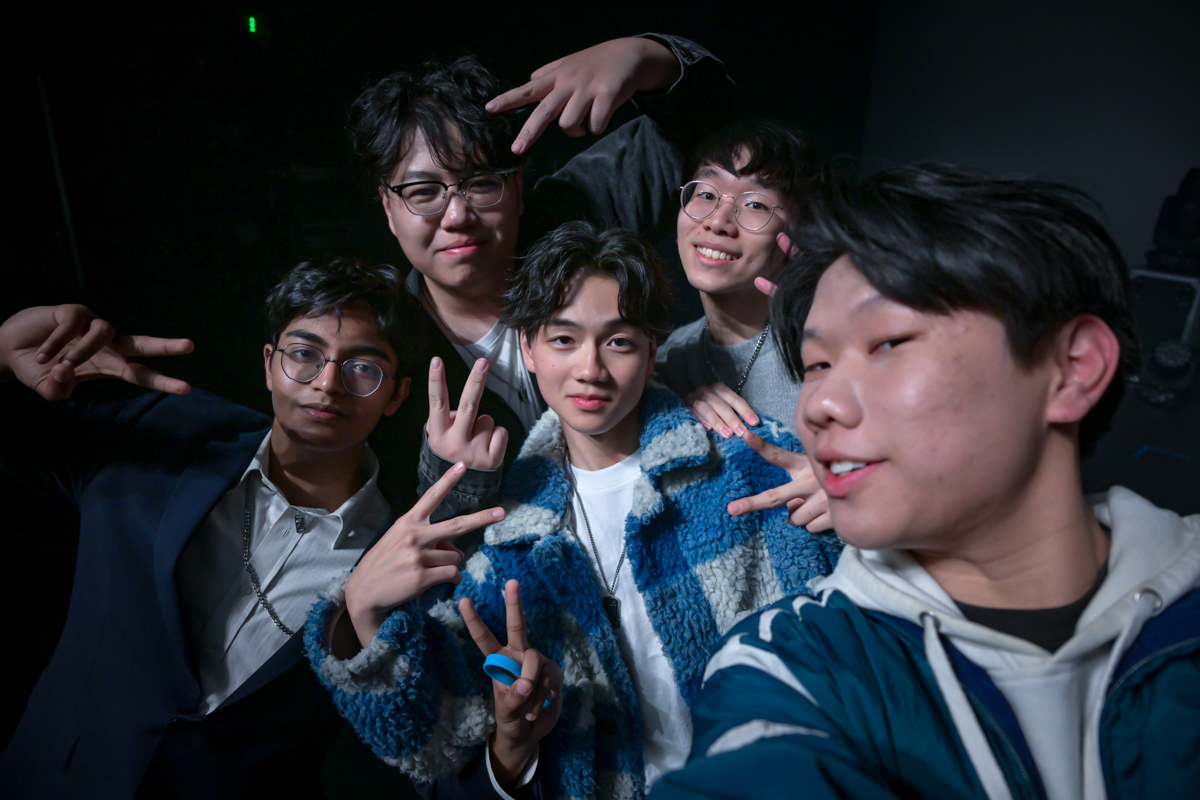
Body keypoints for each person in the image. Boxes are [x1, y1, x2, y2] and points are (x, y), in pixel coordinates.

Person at [652, 165, 1200, 800]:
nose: (820, 405)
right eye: (817, 364)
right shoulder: (789, 666)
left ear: (1072, 367)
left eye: (887, 344)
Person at [305, 223, 841, 799]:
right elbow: (431, 744)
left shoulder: (750, 466)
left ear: (652, 351)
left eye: (619, 341)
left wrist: (854, 502)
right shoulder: (502, 536)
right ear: (528, 349)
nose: (590, 368)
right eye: (563, 340)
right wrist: (367, 619)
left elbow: (864, 634)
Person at [0, 258, 504, 799]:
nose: (327, 383)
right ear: (269, 364)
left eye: (363, 367)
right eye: (305, 354)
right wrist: (2, 353)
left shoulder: (402, 557)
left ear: (396, 396)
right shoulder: (170, 434)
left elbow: (432, 756)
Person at [358, 35, 738, 499]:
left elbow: (714, 137)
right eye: (423, 192)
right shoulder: (378, 346)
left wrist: (647, 57)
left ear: (517, 188)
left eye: (482, 183)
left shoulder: (572, 220)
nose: (456, 216)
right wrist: (456, 483)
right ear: (389, 208)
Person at [655, 120, 832, 532]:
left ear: (797, 235)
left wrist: (856, 488)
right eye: (705, 193)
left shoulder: (833, 350)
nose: (718, 221)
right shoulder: (663, 363)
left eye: (754, 204)